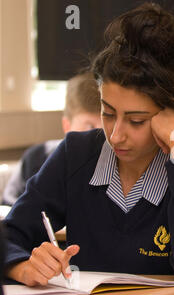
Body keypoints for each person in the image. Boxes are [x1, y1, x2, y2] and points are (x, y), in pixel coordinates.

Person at [3, 2, 174, 287]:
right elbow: (10, 234)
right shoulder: (76, 154)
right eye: (108, 113)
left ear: (172, 114)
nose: (115, 135)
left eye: (136, 120)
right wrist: (21, 265)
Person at [1, 71, 102, 206]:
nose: (101, 137)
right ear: (67, 126)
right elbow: (8, 208)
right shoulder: (36, 158)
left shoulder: (122, 169)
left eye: (107, 127)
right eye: (90, 126)